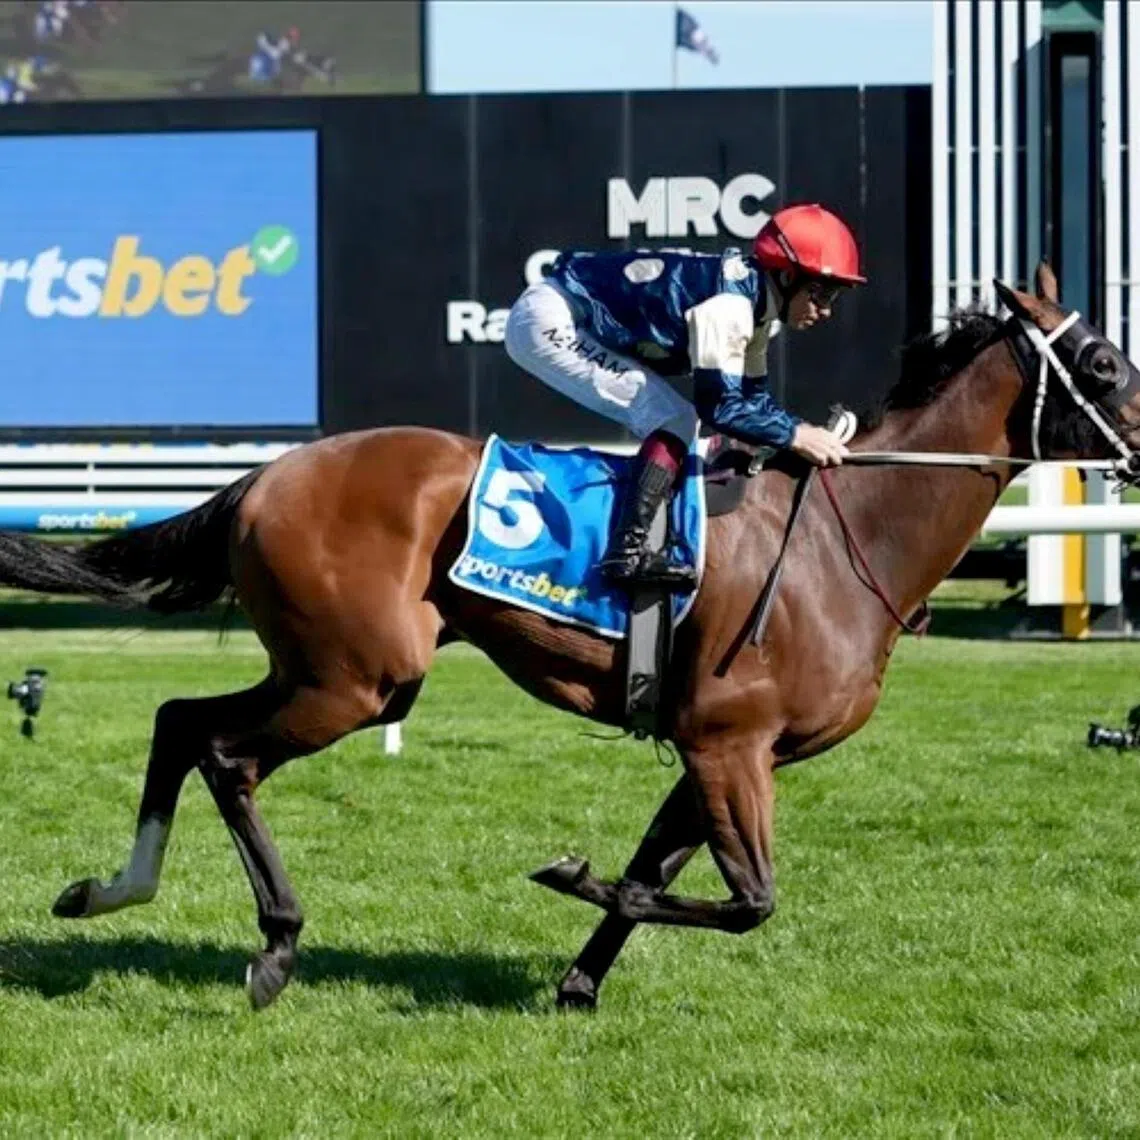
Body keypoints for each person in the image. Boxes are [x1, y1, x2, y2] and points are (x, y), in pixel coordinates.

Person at [503, 202, 867, 593]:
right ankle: (627, 553)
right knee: (675, 419)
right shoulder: (730, 309)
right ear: (785, 275)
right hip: (552, 320)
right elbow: (722, 407)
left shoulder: (757, 308)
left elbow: (753, 402)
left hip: (569, 313)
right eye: (820, 292)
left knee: (678, 418)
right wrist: (796, 435)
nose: (826, 310)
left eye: (833, 296)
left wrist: (803, 431)